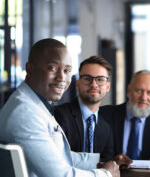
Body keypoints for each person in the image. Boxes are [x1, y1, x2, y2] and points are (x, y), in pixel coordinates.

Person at [0, 38, 131, 177]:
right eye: (52, 68)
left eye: (67, 70)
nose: (61, 78)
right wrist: (106, 174)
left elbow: (59, 156)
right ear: (30, 69)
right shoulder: (25, 113)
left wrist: (102, 161)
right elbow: (61, 174)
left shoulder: (35, 104)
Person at [54, 56, 114, 161]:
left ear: (107, 87)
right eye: (87, 79)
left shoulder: (106, 127)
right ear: (77, 84)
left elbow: (106, 163)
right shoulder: (60, 115)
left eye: (100, 79)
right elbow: (59, 158)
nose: (94, 84)